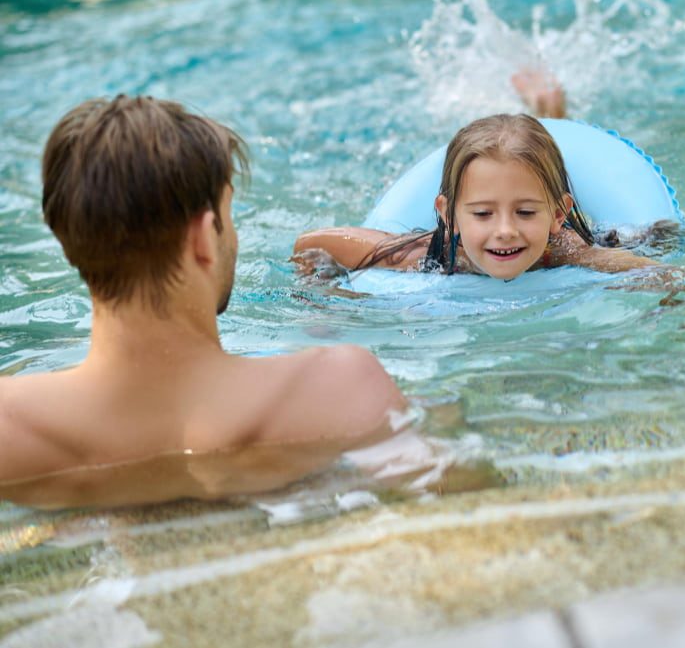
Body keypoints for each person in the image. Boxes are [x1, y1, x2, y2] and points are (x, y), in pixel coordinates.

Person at [0, 95, 408, 504]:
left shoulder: (11, 425)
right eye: (229, 216)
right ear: (203, 238)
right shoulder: (339, 387)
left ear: (67, 240)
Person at [293, 71, 678, 282]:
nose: (505, 230)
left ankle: (553, 113)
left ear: (559, 215)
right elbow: (312, 242)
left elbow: (658, 273)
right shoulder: (431, 256)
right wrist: (330, 297)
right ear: (447, 214)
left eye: (526, 213)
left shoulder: (566, 251)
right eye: (482, 214)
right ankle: (547, 111)